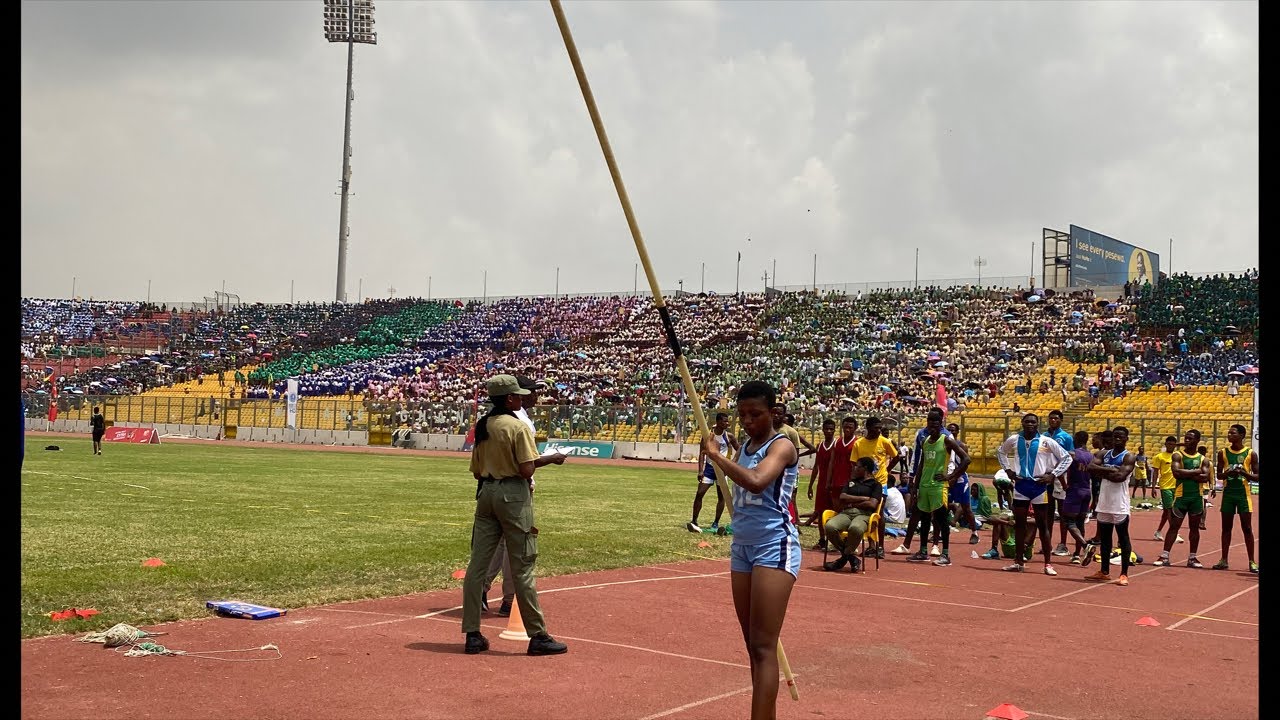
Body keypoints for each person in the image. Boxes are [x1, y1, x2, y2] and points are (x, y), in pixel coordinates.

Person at [701, 380, 800, 720]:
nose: (747, 421)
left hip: (775, 545)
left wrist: (715, 457)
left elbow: (757, 480)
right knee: (753, 648)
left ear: (773, 412)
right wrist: (722, 456)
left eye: (755, 414)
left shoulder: (783, 445)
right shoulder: (744, 444)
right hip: (742, 546)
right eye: (742, 415)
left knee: (763, 647)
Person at [461, 374, 567, 656]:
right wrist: (550, 459)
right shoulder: (517, 427)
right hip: (513, 496)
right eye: (518, 395)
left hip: (486, 494)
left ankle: (472, 633)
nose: (522, 399)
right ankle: (538, 635)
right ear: (509, 399)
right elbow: (526, 469)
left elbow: (475, 471)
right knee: (523, 565)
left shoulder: (483, 425)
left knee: (477, 566)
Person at [482, 375, 567, 616]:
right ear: (512, 396)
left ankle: (481, 590)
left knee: (493, 544)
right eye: (529, 392)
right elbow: (525, 464)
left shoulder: (490, 420)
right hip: (516, 489)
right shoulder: (517, 421)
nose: (534, 396)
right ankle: (510, 598)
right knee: (517, 545)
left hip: (491, 487)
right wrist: (551, 458)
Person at [997, 413, 1072, 574]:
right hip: (1021, 486)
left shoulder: (1046, 441)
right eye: (1027, 421)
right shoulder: (1015, 439)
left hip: (1039, 487)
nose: (1030, 424)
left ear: (1037, 424)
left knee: (1043, 525)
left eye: (1033, 422)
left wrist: (1052, 475)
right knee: (1019, 525)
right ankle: (1018, 561)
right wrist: (1008, 470)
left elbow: (1066, 458)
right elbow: (1001, 452)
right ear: (1022, 423)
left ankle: (1047, 564)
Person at [908, 410, 971, 566]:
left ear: (941, 424)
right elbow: (922, 464)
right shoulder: (925, 440)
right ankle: (923, 551)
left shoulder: (946, 440)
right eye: (930, 422)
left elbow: (966, 459)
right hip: (924, 485)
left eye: (936, 423)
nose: (932, 426)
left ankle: (945, 554)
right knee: (924, 519)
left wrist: (951, 476)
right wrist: (915, 487)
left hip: (938, 486)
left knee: (941, 519)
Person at [1083, 426, 1137, 585]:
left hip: (1119, 503)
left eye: (1121, 437)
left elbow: (1120, 476)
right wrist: (1110, 469)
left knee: (1123, 537)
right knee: (1105, 539)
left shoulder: (1129, 456)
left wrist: (1104, 471)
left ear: (1126, 438)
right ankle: (1104, 571)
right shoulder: (1103, 453)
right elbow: (1091, 468)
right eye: (1115, 436)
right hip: (1104, 502)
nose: (1117, 439)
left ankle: (1124, 574)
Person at [1153, 430, 1209, 568]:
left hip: (1196, 497)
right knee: (1173, 527)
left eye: (1190, 438)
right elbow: (1177, 473)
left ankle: (1192, 558)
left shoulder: (1203, 459)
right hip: (1180, 497)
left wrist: (1187, 474)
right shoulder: (1178, 455)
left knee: (1194, 528)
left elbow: (1206, 477)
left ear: (1197, 440)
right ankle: (1164, 555)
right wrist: (1197, 472)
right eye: (1186, 438)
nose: (1187, 440)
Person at [822, 457, 882, 572]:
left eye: (857, 466)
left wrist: (852, 503)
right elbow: (842, 497)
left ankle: (843, 558)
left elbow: (872, 504)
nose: (855, 468)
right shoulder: (851, 482)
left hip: (864, 515)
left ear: (865, 468)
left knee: (855, 528)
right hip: (847, 513)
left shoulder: (875, 485)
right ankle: (850, 557)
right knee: (830, 526)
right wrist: (863, 498)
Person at [1212, 424, 1258, 573]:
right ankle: (1224, 560)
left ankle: (1252, 561)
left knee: (1247, 528)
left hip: (1243, 495)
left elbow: (1257, 477)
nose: (1229, 435)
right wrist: (1228, 473)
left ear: (1242, 435)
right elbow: (1219, 475)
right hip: (1228, 494)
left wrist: (1244, 473)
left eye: (1233, 433)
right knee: (1226, 528)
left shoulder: (1251, 453)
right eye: (1229, 433)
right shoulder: (1223, 453)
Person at [689, 412, 739, 534]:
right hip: (710, 468)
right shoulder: (708, 436)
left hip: (722, 469)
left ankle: (716, 522)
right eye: (724, 421)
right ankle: (694, 521)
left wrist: (731, 464)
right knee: (700, 493)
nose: (727, 423)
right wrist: (700, 470)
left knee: (722, 497)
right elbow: (702, 453)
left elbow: (740, 449)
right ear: (717, 422)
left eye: (728, 421)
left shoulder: (729, 436)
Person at [1059, 430, 1094, 565]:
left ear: (1075, 439)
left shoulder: (1072, 454)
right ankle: (1077, 554)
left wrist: (1064, 485)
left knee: (1068, 522)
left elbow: (1059, 471)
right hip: (1087, 490)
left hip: (1074, 490)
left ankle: (1086, 546)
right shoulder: (1091, 456)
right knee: (1080, 522)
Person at [1043, 410, 1074, 556]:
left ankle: (1063, 543)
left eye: (1056, 418)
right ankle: (1046, 542)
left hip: (1060, 476)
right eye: (1051, 418)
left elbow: (1070, 456)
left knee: (1062, 511)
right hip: (1045, 476)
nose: (1053, 420)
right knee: (1047, 511)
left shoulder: (1066, 437)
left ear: (1061, 420)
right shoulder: (1043, 436)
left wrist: (1062, 474)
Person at [803, 418, 837, 548]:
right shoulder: (820, 446)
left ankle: (835, 539)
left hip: (833, 483)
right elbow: (816, 467)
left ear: (834, 430)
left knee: (834, 512)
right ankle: (822, 539)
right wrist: (811, 485)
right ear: (822, 430)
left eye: (831, 429)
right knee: (821, 511)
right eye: (826, 429)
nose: (828, 431)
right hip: (822, 483)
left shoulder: (836, 444)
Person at [946, 422, 979, 545]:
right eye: (949, 430)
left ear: (957, 432)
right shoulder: (943, 445)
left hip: (959, 480)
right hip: (947, 479)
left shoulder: (962, 446)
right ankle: (939, 532)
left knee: (966, 507)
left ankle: (974, 532)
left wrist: (955, 476)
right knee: (942, 506)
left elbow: (965, 464)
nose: (951, 432)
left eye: (953, 430)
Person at [1150, 435, 1184, 544]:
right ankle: (1175, 532)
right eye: (1169, 444)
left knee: (1166, 511)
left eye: (1173, 444)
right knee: (1170, 510)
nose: (1171, 446)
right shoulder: (1159, 457)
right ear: (1165, 444)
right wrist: (1154, 486)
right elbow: (1155, 472)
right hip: (1165, 486)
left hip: (1176, 485)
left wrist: (1178, 444)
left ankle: (1158, 531)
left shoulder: (1178, 456)